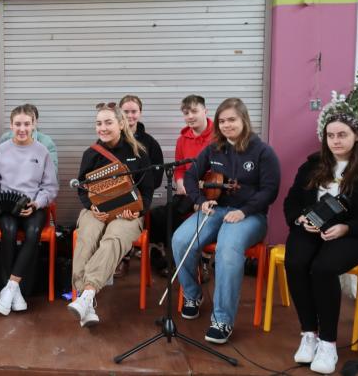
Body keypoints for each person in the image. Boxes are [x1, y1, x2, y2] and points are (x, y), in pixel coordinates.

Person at [283, 112, 358, 374]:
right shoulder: (313, 164)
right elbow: (292, 199)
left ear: (356, 136)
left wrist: (348, 227)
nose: (335, 140)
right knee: (296, 262)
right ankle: (309, 333)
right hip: (311, 229)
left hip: (354, 233)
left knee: (323, 268)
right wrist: (300, 219)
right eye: (330, 135)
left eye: (342, 134)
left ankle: (328, 343)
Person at [171, 97, 280, 344]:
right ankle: (192, 294)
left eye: (232, 119)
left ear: (244, 120)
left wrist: (245, 211)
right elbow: (190, 177)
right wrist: (200, 201)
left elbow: (270, 190)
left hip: (249, 215)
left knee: (227, 251)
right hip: (216, 209)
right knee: (180, 239)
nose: (227, 125)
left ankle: (222, 319)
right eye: (222, 121)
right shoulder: (214, 148)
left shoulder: (262, 151)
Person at [66, 102, 153, 327]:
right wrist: (91, 206)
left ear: (121, 124)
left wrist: (137, 211)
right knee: (86, 238)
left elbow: (148, 190)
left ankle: (86, 295)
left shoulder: (138, 153)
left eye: (108, 122)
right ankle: (87, 298)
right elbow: (81, 187)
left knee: (112, 240)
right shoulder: (91, 154)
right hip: (96, 211)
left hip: (128, 214)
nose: (102, 128)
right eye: (98, 123)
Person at [0, 105, 58, 316]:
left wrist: (38, 203)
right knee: (8, 230)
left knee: (33, 232)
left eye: (26, 124)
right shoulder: (0, 150)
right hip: (5, 207)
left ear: (34, 125)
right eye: (18, 124)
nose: (22, 128)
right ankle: (14, 294)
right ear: (11, 126)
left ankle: (11, 287)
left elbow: (50, 187)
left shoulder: (42, 151)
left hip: (33, 206)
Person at [149, 95, 214, 276]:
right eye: (186, 113)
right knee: (162, 216)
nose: (190, 116)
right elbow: (179, 168)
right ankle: (172, 259)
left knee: (178, 216)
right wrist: (179, 181)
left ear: (205, 111)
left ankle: (202, 260)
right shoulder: (182, 139)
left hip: (211, 193)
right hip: (188, 192)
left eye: (194, 111)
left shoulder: (219, 136)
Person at [0, 103, 58, 175]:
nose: (22, 128)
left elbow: (52, 172)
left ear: (35, 122)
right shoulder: (5, 138)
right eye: (19, 123)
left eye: (28, 122)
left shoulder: (46, 142)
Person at [119, 95, 164, 189]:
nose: (129, 115)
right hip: (113, 196)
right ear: (119, 113)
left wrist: (144, 191)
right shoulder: (112, 140)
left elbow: (157, 173)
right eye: (126, 112)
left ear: (140, 113)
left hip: (142, 198)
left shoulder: (150, 143)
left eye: (134, 111)